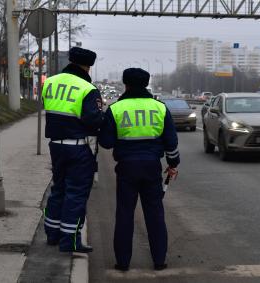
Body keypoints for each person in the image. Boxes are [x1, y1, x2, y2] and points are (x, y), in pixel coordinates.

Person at [99, 68, 180, 272]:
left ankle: (123, 262)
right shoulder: (160, 108)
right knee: (155, 214)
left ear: (125, 84)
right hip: (152, 167)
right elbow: (171, 141)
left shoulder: (116, 109)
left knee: (125, 214)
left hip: (126, 168)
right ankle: (159, 260)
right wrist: (173, 164)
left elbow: (106, 143)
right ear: (146, 84)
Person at [42, 47, 103, 253]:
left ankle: (52, 234)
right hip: (78, 149)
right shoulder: (87, 88)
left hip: (55, 146)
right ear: (87, 66)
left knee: (58, 189)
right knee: (76, 193)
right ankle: (71, 241)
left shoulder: (50, 82)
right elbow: (93, 120)